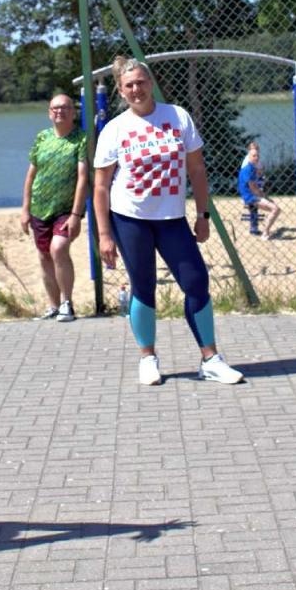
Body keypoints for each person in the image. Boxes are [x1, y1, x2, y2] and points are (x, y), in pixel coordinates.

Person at [92, 56, 243, 387]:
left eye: (141, 82)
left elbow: (197, 169)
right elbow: (100, 186)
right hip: (130, 219)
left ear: (151, 83)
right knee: (143, 286)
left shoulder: (177, 116)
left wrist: (203, 215)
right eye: (129, 85)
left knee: (196, 282)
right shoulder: (115, 129)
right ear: (121, 90)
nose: (136, 89)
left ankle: (211, 360)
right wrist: (104, 234)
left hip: (172, 219)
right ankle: (148, 358)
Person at [19, 93, 88, 322]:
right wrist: (25, 209)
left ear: (73, 112)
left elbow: (82, 178)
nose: (60, 111)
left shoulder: (81, 139)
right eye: (55, 108)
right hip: (40, 208)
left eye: (65, 107)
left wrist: (76, 214)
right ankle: (54, 306)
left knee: (58, 248)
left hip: (66, 209)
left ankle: (67, 304)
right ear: (49, 113)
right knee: (44, 256)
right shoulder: (42, 137)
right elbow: (31, 175)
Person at [236, 141, 281, 239]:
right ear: (249, 156)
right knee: (275, 209)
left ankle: (260, 229)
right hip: (250, 196)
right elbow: (252, 187)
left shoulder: (253, 167)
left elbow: (259, 175)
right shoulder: (248, 167)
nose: (256, 157)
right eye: (254, 156)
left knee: (274, 209)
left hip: (252, 194)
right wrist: (264, 196)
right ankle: (264, 232)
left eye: (257, 155)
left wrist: (263, 195)